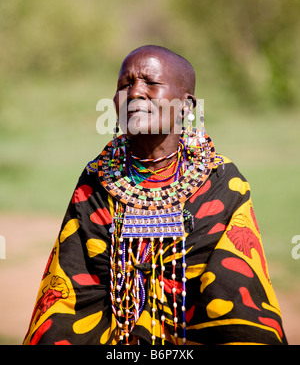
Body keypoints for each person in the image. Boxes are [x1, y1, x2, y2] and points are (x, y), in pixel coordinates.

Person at [23, 45, 287, 345]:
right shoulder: (98, 181)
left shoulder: (221, 183)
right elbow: (69, 296)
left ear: (186, 106)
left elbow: (236, 300)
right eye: (125, 84)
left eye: (151, 83)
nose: (135, 93)